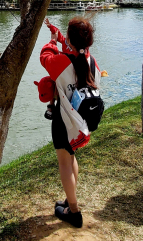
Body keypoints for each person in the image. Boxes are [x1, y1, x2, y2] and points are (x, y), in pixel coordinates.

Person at [40, 17, 102, 227]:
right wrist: (60, 36)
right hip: (81, 119)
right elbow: (73, 50)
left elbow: (44, 56)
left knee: (64, 162)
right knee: (71, 156)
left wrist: (52, 41)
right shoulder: (92, 61)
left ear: (69, 39)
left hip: (63, 118)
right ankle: (70, 198)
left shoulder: (61, 61)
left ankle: (73, 211)